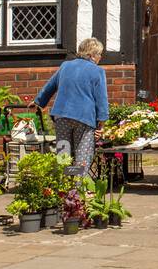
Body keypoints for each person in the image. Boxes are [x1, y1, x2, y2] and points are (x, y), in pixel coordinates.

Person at [33, 37, 108, 178]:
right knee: (82, 155)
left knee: (63, 153)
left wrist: (38, 101)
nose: (100, 57)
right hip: (84, 119)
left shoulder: (65, 66)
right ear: (92, 55)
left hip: (62, 116)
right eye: (99, 54)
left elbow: (50, 85)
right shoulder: (98, 71)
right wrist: (101, 124)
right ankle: (78, 190)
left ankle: (64, 185)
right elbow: (101, 99)